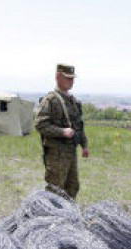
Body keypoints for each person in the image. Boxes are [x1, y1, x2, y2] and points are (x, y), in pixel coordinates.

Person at [34, 64, 89, 200]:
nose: (71, 81)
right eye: (67, 78)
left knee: (72, 186)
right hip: (56, 153)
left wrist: (84, 145)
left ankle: (67, 215)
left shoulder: (74, 101)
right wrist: (62, 132)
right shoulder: (51, 100)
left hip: (71, 151)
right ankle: (52, 218)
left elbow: (79, 126)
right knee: (55, 189)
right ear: (58, 77)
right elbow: (40, 124)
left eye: (72, 79)